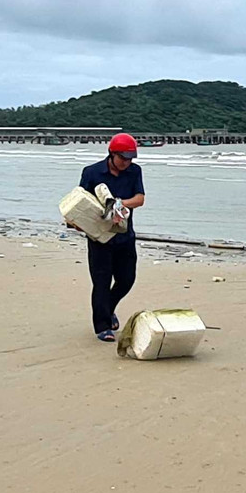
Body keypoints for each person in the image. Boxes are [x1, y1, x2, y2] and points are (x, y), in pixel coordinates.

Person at [77, 133, 146, 341]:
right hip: (99, 238)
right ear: (112, 154)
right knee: (101, 282)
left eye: (130, 158)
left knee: (126, 279)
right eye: (123, 158)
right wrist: (75, 221)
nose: (127, 162)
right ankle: (103, 327)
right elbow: (81, 201)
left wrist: (118, 205)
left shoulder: (135, 172)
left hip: (124, 236)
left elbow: (140, 199)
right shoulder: (91, 172)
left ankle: (108, 309)